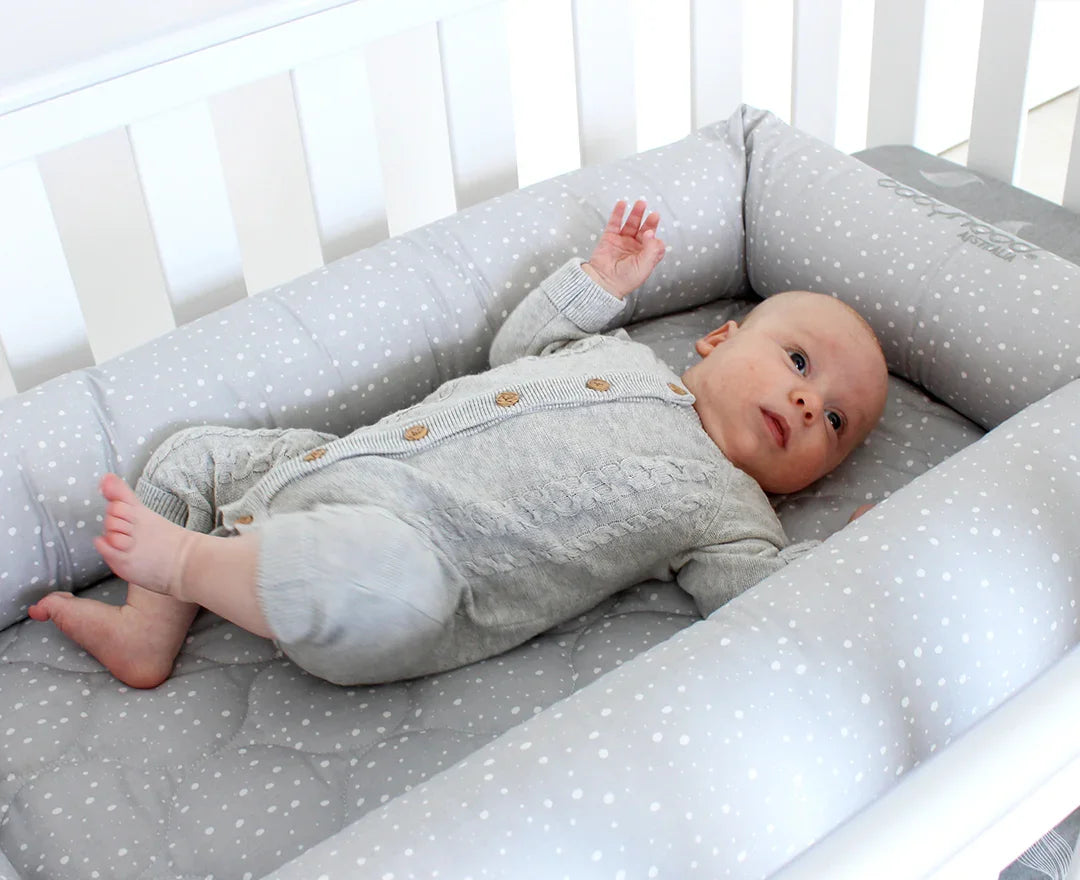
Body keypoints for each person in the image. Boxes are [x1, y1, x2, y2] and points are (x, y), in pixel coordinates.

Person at [28, 200, 889, 689]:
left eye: (838, 425)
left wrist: (842, 560)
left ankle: (186, 568)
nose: (811, 403)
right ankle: (151, 629)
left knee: (360, 569)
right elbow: (519, 351)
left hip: (418, 573)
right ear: (718, 338)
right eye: (798, 361)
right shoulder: (612, 352)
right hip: (326, 470)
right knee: (194, 453)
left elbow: (759, 599)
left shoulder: (732, 511)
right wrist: (598, 284)